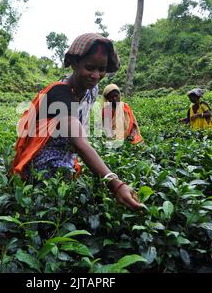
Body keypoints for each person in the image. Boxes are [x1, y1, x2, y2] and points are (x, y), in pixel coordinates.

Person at [11, 33, 143, 211]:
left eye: (102, 69)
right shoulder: (60, 93)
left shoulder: (92, 91)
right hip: (42, 163)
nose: (96, 75)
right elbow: (78, 141)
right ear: (74, 63)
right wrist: (116, 184)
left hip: (67, 158)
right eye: (89, 68)